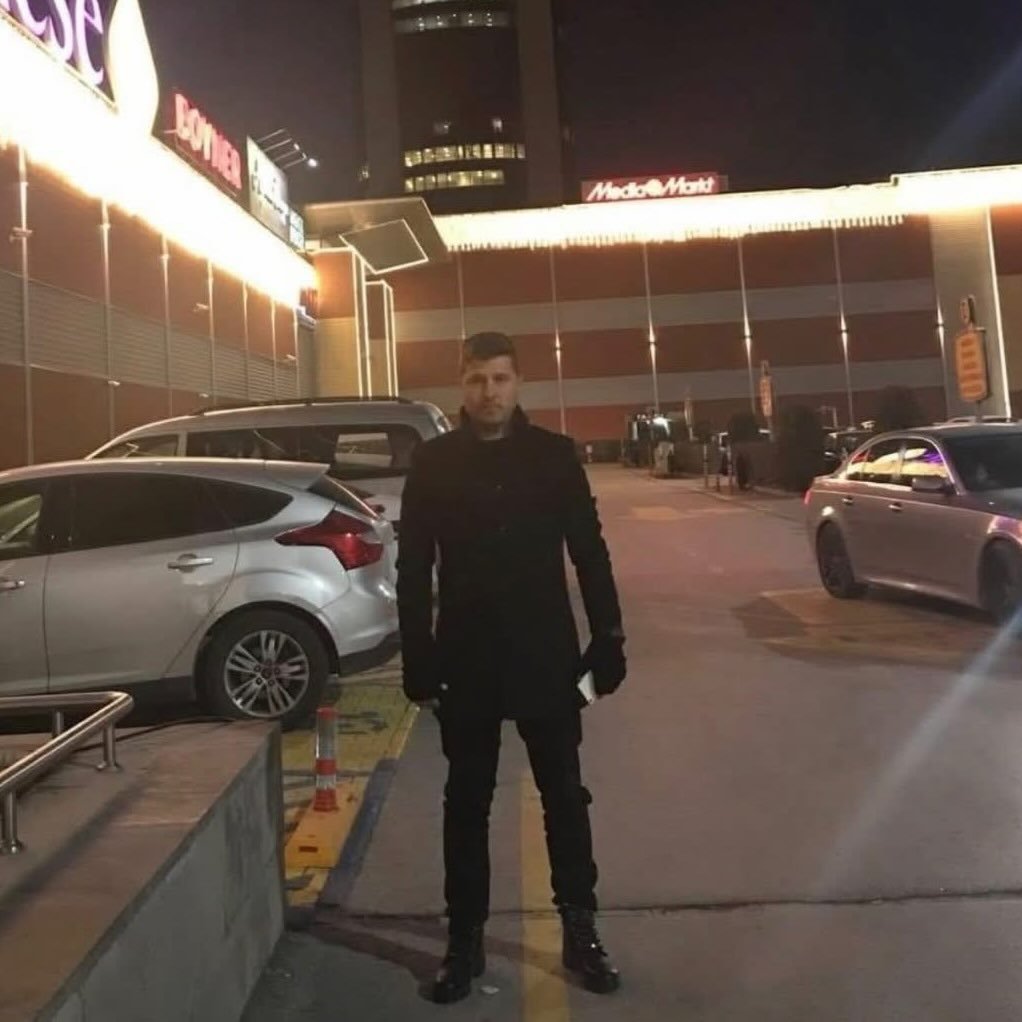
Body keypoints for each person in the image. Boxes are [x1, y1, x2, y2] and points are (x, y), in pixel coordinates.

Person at [397, 331, 627, 1005]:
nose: (489, 392)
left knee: (565, 796)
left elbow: (590, 552)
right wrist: (418, 657)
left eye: (499, 379)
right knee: (466, 803)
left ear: (518, 382)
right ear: (461, 386)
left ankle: (580, 931)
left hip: (545, 657)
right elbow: (413, 567)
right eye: (476, 379)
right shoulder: (434, 463)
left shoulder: (553, 458)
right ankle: (464, 940)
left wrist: (608, 638)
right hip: (466, 658)